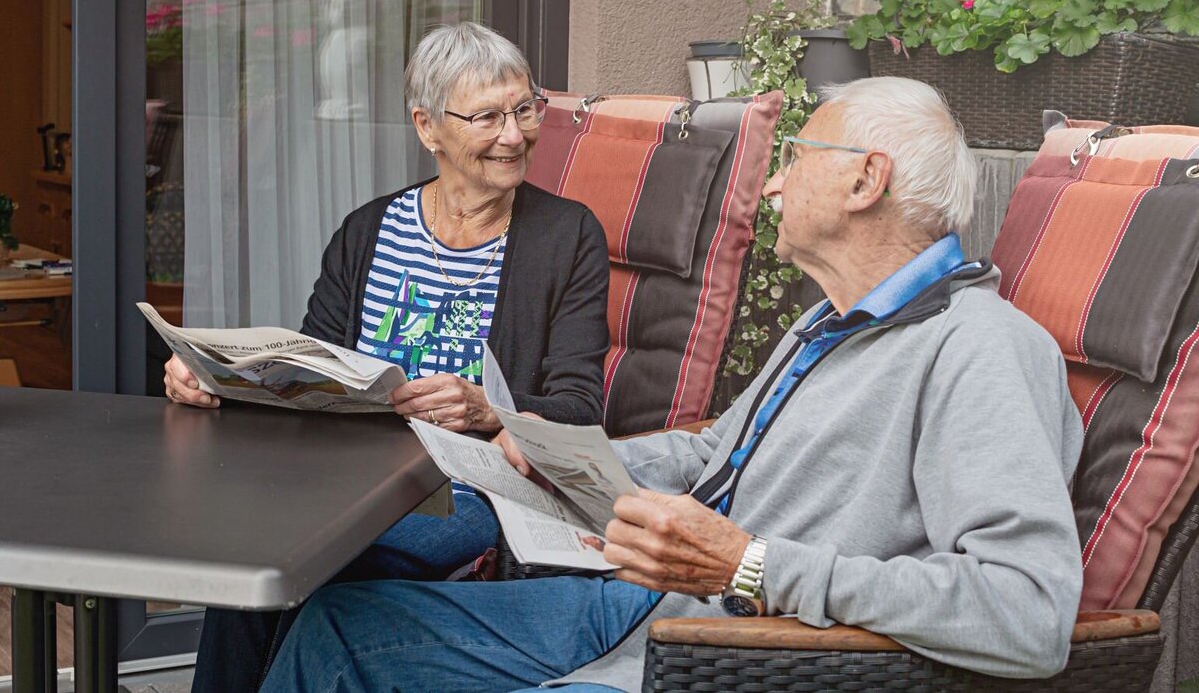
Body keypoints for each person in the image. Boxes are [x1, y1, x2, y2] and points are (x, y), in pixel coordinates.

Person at [257, 76, 1085, 693]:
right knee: (334, 627)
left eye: (794, 161)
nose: (770, 183)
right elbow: (714, 451)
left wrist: (749, 565)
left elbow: (1025, 612)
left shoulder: (980, 349)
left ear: (866, 182)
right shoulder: (829, 322)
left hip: (733, 657)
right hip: (648, 608)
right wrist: (558, 456)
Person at [164, 21, 611, 692]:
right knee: (251, 565)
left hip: (465, 490)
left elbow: (580, 403)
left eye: (524, 109)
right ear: (428, 127)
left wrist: (488, 409)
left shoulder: (566, 235)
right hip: (340, 480)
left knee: (318, 566)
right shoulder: (369, 229)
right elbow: (314, 374)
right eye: (488, 116)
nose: (515, 136)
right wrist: (219, 382)